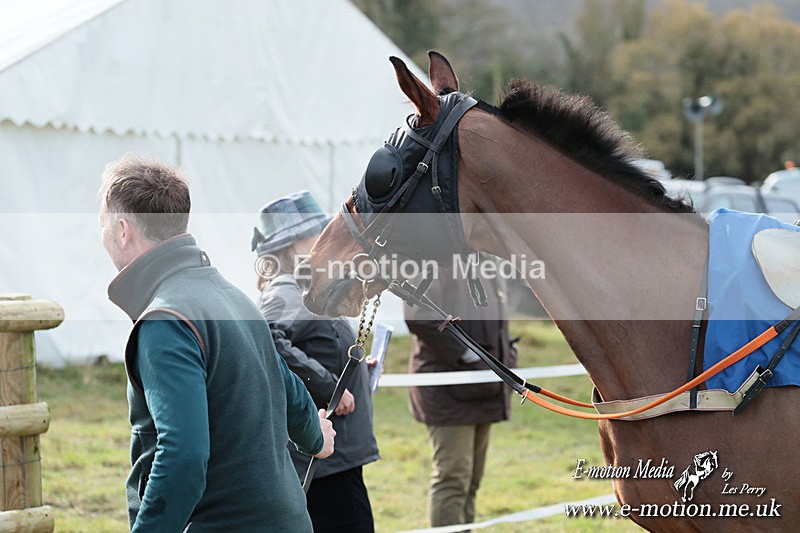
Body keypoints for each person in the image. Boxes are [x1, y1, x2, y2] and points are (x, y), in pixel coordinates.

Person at [98, 154, 335, 532]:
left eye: (104, 224)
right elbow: (288, 388)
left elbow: (184, 457)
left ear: (123, 230)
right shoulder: (235, 297)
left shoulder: (165, 321)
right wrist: (315, 435)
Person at [252, 190, 379, 533]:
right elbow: (267, 343)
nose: (325, 238)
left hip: (338, 453)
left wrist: (352, 371)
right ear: (293, 246)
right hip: (321, 456)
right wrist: (327, 384)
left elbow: (317, 344)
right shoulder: (286, 290)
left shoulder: (310, 287)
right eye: (315, 234)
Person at [404, 261, 518, 531]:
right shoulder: (433, 258)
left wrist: (507, 358)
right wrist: (468, 356)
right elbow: (419, 314)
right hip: (449, 391)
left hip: (484, 387)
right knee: (453, 480)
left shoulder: (486, 260)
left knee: (472, 481)